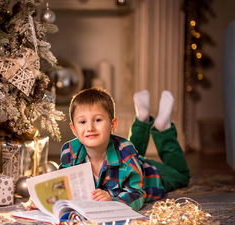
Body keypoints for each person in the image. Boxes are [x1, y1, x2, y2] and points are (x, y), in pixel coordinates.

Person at [59, 88, 190, 210]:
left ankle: (163, 128)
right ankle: (142, 118)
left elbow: (137, 194)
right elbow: (61, 184)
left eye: (98, 120)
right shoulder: (69, 151)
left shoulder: (126, 151)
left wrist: (113, 199)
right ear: (74, 129)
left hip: (152, 174)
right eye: (82, 122)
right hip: (128, 161)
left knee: (182, 176)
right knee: (126, 150)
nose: (90, 128)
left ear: (112, 124)